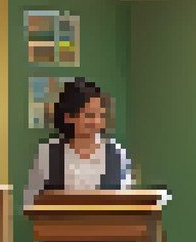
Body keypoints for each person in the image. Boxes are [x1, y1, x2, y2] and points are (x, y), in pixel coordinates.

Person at [22, 78, 134, 208]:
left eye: (101, 115)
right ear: (69, 117)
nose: (97, 122)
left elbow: (128, 201)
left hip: (108, 226)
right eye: (90, 115)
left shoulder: (117, 153)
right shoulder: (48, 153)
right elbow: (31, 202)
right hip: (59, 226)